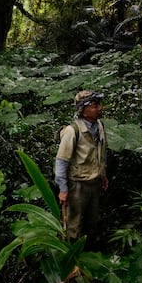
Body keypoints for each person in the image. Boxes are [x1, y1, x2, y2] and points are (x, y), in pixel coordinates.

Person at [54, 90, 108, 244]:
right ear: (83, 110)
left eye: (99, 104)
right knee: (73, 224)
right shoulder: (73, 131)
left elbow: (102, 152)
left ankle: (88, 253)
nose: (99, 108)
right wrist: (63, 189)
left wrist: (103, 174)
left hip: (95, 182)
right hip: (77, 185)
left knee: (92, 221)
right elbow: (61, 161)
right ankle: (71, 259)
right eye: (94, 105)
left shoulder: (99, 126)